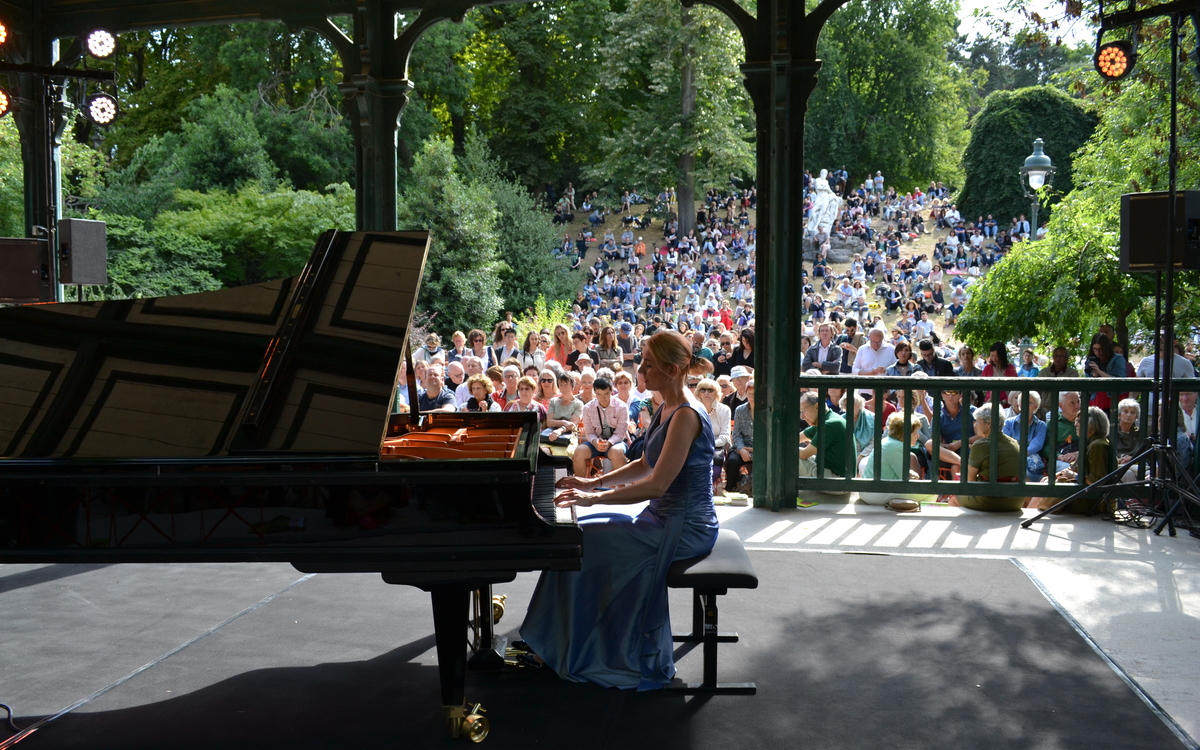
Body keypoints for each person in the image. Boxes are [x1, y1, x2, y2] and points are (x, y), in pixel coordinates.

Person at [520, 331, 718, 690]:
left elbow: (656, 484)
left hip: (684, 526)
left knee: (583, 541)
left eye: (649, 365)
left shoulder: (687, 413)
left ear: (673, 370)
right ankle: (558, 640)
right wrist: (592, 485)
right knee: (578, 533)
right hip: (663, 517)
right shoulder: (667, 405)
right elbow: (645, 462)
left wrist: (593, 498)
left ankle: (570, 644)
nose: (641, 370)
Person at [953, 404, 1028, 512]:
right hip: (1015, 500)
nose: (975, 425)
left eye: (978, 421)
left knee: (954, 498)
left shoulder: (981, 445)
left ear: (989, 423)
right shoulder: (1014, 443)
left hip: (990, 500)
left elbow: (970, 480)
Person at [858, 412, 930, 507]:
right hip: (877, 494)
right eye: (915, 432)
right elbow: (905, 477)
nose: (918, 435)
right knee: (932, 491)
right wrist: (915, 475)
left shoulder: (887, 441)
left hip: (871, 491)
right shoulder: (897, 447)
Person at [573, 377, 630, 476]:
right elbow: (589, 432)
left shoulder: (622, 407)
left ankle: (622, 488)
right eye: (599, 394)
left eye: (606, 394)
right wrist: (595, 442)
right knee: (578, 452)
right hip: (596, 443)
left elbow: (621, 433)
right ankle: (581, 486)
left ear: (612, 391)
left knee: (616, 452)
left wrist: (609, 442)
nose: (602, 398)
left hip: (616, 443)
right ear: (594, 392)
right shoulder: (587, 408)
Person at [798, 390, 849, 485]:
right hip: (837, 477)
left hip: (839, 482)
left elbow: (803, 455)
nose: (802, 417)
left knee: (792, 457)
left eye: (803, 411)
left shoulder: (830, 424)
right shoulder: (828, 418)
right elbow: (796, 439)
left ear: (817, 407)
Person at [695, 377, 732, 497]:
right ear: (698, 392)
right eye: (703, 390)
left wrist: (710, 444)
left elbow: (725, 435)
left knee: (716, 464)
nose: (706, 393)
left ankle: (706, 493)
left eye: (710, 390)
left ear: (716, 393)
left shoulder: (724, 410)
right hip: (697, 444)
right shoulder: (693, 409)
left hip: (717, 446)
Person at [726, 381, 755, 494]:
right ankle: (730, 490)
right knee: (732, 460)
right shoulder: (740, 410)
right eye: (750, 393)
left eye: (755, 393)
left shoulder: (767, 411)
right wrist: (742, 449)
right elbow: (736, 434)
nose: (752, 396)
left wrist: (754, 449)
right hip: (742, 447)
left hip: (761, 449)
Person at [1084, 333, 1127, 410]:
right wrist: (1094, 375)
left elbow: (1119, 381)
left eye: (1100, 349)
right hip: (1094, 401)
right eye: (1095, 349)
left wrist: (1099, 371)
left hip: (1111, 401)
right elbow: (1088, 384)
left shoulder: (1117, 359)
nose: (1097, 352)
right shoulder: (1091, 359)